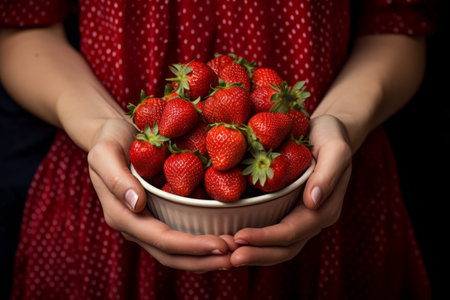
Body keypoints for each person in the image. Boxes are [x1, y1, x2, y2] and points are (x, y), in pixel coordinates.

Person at [0, 0, 435, 299]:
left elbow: (395, 27)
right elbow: (24, 28)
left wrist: (341, 122)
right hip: (108, 192)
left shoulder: (252, 129)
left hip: (331, 181)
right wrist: (99, 129)